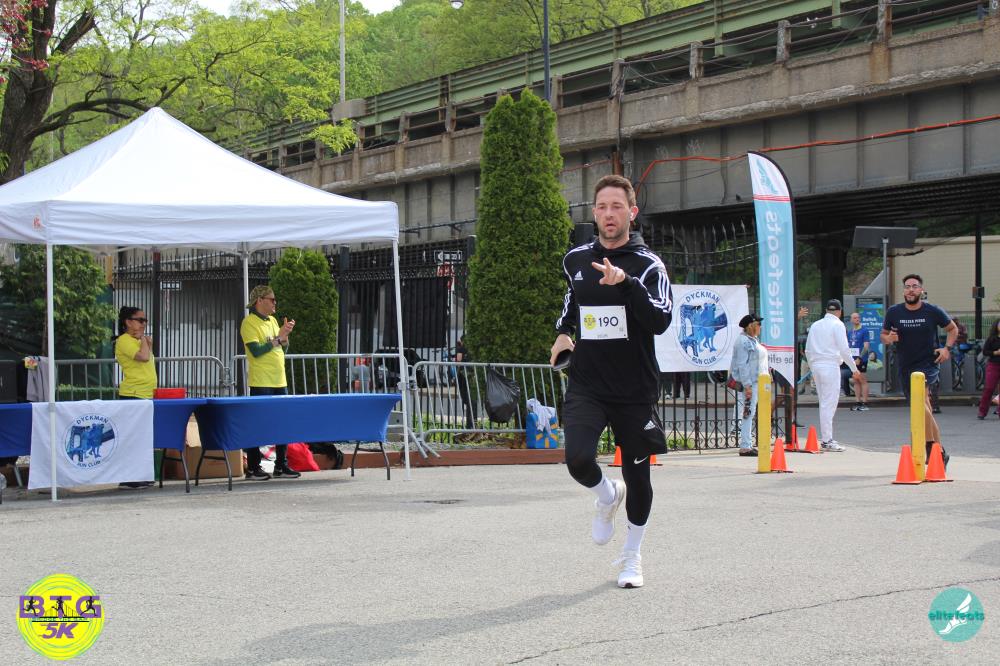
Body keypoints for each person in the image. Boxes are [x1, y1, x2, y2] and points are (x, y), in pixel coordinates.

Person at [550, 174, 672, 589]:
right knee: (577, 458)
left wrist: (626, 284)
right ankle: (606, 495)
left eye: (617, 206)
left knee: (639, 478)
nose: (608, 214)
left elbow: (660, 320)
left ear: (632, 213)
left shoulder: (649, 266)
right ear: (594, 212)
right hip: (588, 383)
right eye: (602, 206)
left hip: (634, 390)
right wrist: (563, 332)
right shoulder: (576, 259)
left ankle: (632, 556)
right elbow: (572, 301)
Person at [881, 274, 957, 467]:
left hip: (928, 364)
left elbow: (952, 329)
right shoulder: (894, 312)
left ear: (921, 290)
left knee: (919, 403)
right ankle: (938, 452)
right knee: (923, 407)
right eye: (907, 287)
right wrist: (890, 339)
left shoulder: (932, 311)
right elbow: (884, 336)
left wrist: (946, 349)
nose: (911, 290)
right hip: (906, 365)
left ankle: (933, 450)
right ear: (904, 291)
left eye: (915, 286)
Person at [241, 284, 300, 480]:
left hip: (279, 380)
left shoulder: (273, 320)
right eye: (272, 299)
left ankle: (281, 465)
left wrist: (284, 337)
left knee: (283, 421)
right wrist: (278, 338)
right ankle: (253, 467)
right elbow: (256, 351)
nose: (275, 303)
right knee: (258, 423)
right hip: (262, 381)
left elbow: (282, 349)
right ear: (260, 301)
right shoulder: (249, 322)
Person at [804, 300, 861, 451]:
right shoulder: (838, 324)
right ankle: (827, 439)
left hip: (816, 365)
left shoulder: (815, 325)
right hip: (830, 365)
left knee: (824, 402)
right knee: (829, 403)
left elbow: (807, 350)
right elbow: (844, 349)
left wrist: (812, 366)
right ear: (839, 311)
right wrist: (854, 369)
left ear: (826, 310)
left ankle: (826, 438)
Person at [114, 306, 157, 487]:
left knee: (142, 437)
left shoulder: (139, 340)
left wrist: (144, 341)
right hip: (133, 394)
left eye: (145, 320)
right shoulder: (124, 340)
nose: (143, 324)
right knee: (132, 437)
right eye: (140, 320)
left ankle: (140, 473)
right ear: (128, 322)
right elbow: (144, 357)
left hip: (146, 394)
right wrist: (145, 341)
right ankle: (128, 477)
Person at [729, 313, 767, 457]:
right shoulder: (743, 342)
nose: (760, 327)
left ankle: (747, 444)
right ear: (751, 326)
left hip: (755, 381)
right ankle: (745, 446)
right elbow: (742, 365)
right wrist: (747, 385)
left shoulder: (751, 340)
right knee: (748, 413)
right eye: (758, 324)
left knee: (749, 412)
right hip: (750, 383)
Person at [846, 312, 872, 411]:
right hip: (852, 360)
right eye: (855, 318)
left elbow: (866, 346)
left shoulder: (864, 330)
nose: (857, 319)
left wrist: (859, 358)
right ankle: (858, 402)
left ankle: (865, 403)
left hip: (861, 359)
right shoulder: (850, 332)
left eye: (858, 317)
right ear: (851, 320)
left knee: (862, 380)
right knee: (855, 380)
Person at [976, 319, 1000, 420]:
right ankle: (982, 411)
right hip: (993, 365)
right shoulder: (991, 339)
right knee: (989, 388)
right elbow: (985, 352)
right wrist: (995, 353)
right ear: (996, 326)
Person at [454, 335, 477, 429]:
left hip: (463, 374)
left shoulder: (461, 348)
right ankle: (473, 423)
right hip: (472, 374)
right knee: (472, 399)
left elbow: (459, 360)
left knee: (466, 397)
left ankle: (470, 425)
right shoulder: (474, 348)